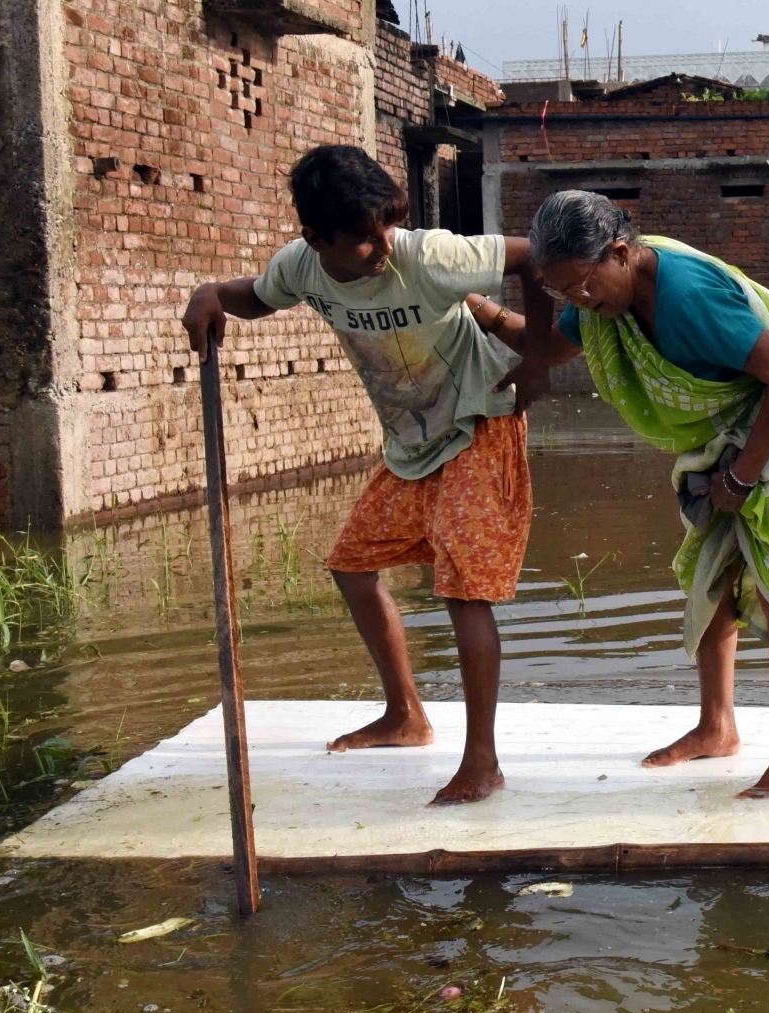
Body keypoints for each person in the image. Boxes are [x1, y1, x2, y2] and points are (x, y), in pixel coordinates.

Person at [180, 145, 555, 805]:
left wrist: (539, 364)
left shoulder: (427, 255)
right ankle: (405, 713)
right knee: (352, 562)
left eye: (386, 225)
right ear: (317, 238)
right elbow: (256, 297)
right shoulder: (305, 269)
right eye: (362, 238)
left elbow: (532, 256)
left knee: (464, 590)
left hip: (480, 421)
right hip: (413, 443)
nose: (382, 245)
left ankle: (483, 760)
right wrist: (209, 294)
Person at [510, 191, 769, 798]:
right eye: (562, 292)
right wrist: (478, 309)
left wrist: (743, 475)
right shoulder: (604, 298)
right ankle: (717, 726)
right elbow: (551, 348)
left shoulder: (687, 297)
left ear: (620, 253)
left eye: (581, 286)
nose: (579, 302)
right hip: (740, 426)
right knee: (711, 565)